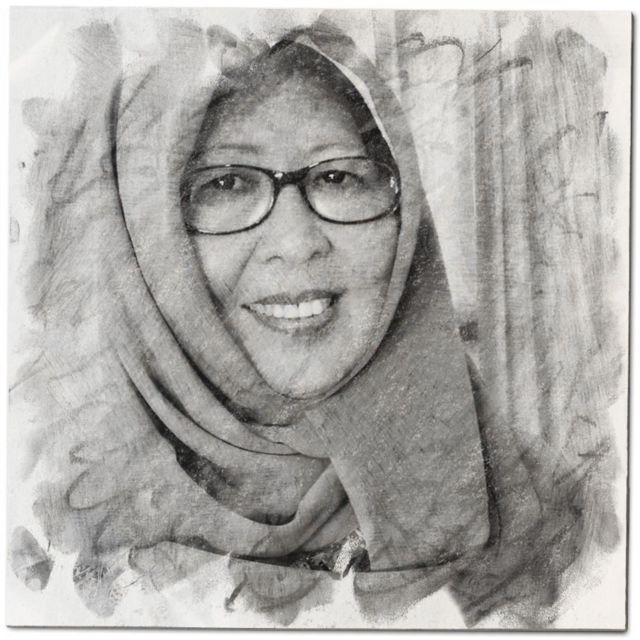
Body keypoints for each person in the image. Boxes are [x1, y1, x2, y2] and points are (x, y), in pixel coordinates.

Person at [22, 17, 586, 626]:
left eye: (338, 177)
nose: (296, 243)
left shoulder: (537, 509)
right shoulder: (53, 542)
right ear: (143, 241)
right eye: (225, 183)